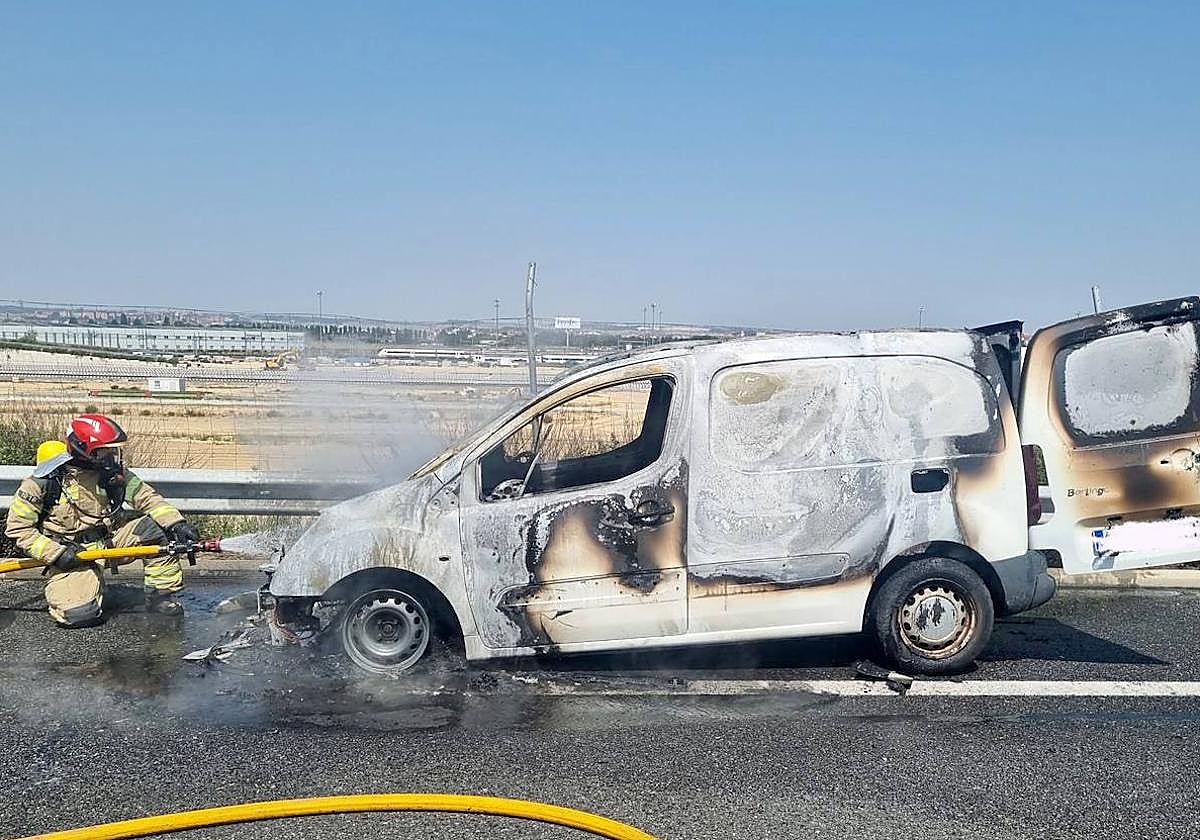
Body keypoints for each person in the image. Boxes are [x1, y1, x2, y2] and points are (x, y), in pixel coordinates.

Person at [4, 414, 200, 627]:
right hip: (72, 554)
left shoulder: (112, 473)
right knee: (79, 616)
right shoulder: (43, 483)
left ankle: (160, 597)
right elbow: (18, 529)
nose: (112, 456)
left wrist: (176, 523)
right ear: (83, 449)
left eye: (113, 450)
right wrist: (57, 554)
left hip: (110, 541)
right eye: (104, 451)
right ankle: (84, 587)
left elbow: (148, 498)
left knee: (159, 530)